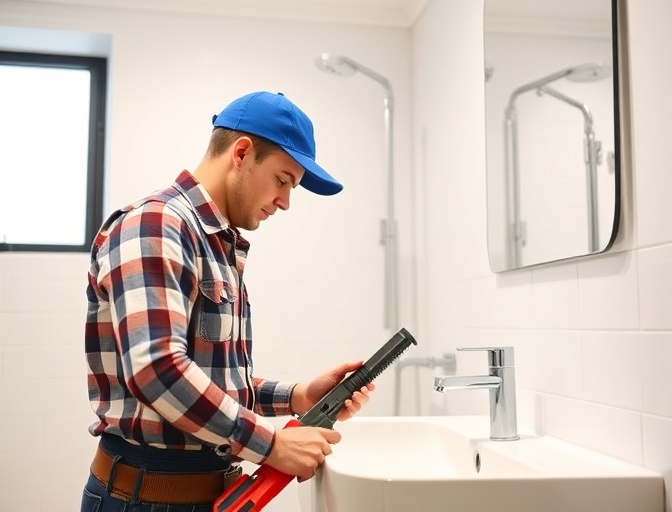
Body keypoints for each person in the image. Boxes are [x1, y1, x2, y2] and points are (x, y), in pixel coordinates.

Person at [81, 91, 374, 511]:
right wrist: (271, 444)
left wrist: (299, 396)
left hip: (204, 496)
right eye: (283, 180)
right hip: (147, 500)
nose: (286, 203)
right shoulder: (156, 223)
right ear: (241, 152)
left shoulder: (217, 244)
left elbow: (210, 379)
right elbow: (157, 370)